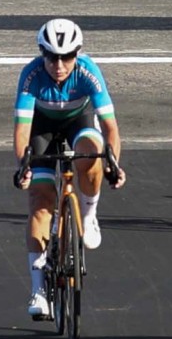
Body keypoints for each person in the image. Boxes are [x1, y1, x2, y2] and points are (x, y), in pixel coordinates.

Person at [14, 19, 126, 319]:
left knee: (92, 156)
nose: (59, 64)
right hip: (43, 128)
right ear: (42, 54)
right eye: (51, 56)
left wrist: (113, 162)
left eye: (66, 57)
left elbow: (110, 127)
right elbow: (23, 131)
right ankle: (38, 290)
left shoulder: (89, 72)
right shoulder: (31, 75)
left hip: (80, 121)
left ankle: (89, 216)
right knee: (40, 201)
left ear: (78, 54)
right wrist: (22, 165)